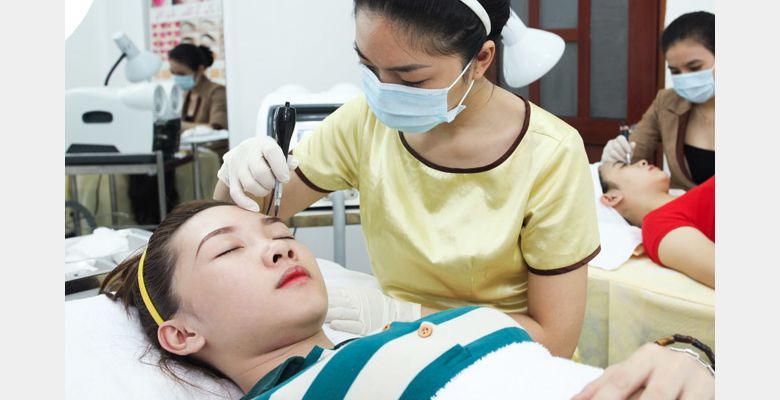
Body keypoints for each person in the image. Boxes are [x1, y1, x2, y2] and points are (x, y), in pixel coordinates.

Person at [213, 0, 600, 359]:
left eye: (411, 80)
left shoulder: (551, 154)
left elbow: (555, 340)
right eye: (368, 67)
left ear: (481, 60)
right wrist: (238, 178)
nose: (383, 91)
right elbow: (246, 218)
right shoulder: (363, 122)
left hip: (510, 364)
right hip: (398, 352)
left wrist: (408, 317)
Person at [99, 200, 714, 399]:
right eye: (228, 249)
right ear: (182, 333)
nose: (280, 248)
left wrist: (686, 353)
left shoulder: (379, 346)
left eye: (281, 232)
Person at [601, 11, 715, 190]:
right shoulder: (667, 103)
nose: (685, 77)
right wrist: (616, 156)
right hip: (683, 207)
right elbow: (634, 151)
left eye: (694, 68)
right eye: (675, 71)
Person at [598, 160, 714, 288]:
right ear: (612, 197)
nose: (642, 161)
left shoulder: (693, 197)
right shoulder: (657, 225)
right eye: (624, 166)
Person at [168, 43, 228, 132]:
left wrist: (177, 125)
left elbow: (218, 128)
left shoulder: (217, 92)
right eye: (173, 73)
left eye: (181, 74)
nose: (176, 78)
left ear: (200, 70)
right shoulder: (185, 94)